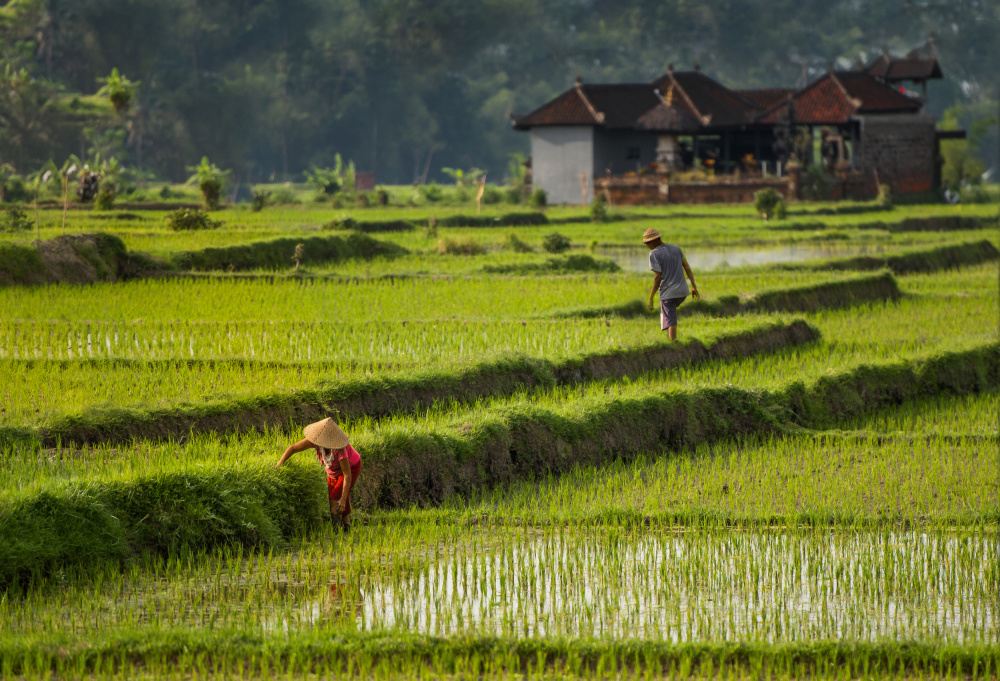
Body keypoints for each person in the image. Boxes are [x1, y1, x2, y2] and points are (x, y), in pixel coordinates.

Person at [275, 417, 362, 530]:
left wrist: (344, 500)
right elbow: (293, 448)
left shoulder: (340, 449)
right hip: (331, 471)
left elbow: (347, 475)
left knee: (334, 500)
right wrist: (279, 464)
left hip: (351, 468)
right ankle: (346, 524)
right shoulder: (315, 441)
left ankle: (337, 530)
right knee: (336, 495)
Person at [643, 227, 699, 340]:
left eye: (647, 243)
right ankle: (669, 337)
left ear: (653, 241)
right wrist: (693, 286)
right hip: (683, 291)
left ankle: (673, 342)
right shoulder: (676, 249)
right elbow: (687, 267)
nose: (647, 246)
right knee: (668, 312)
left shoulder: (653, 254)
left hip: (669, 292)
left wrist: (651, 297)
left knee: (670, 315)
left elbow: (658, 278)